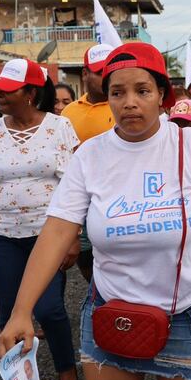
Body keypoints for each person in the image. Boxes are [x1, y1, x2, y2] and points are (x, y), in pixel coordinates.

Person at [0, 42, 191, 380]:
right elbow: (57, 230)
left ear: (162, 96)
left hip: (187, 316)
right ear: (107, 99)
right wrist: (21, 311)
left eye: (142, 90)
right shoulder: (89, 155)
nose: (129, 102)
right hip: (110, 312)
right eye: (117, 92)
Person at [0, 58, 80, 380]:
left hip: (50, 234)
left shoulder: (60, 128)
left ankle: (66, 366)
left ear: (30, 93)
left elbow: (75, 186)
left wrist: (72, 238)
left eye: (7, 89)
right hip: (4, 234)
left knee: (49, 308)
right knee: (10, 311)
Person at [61, 43, 116, 283]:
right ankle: (97, 293)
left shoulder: (121, 106)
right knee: (84, 256)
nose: (106, 77)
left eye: (109, 71)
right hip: (82, 196)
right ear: (85, 74)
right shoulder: (68, 113)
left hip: (115, 194)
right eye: (99, 71)